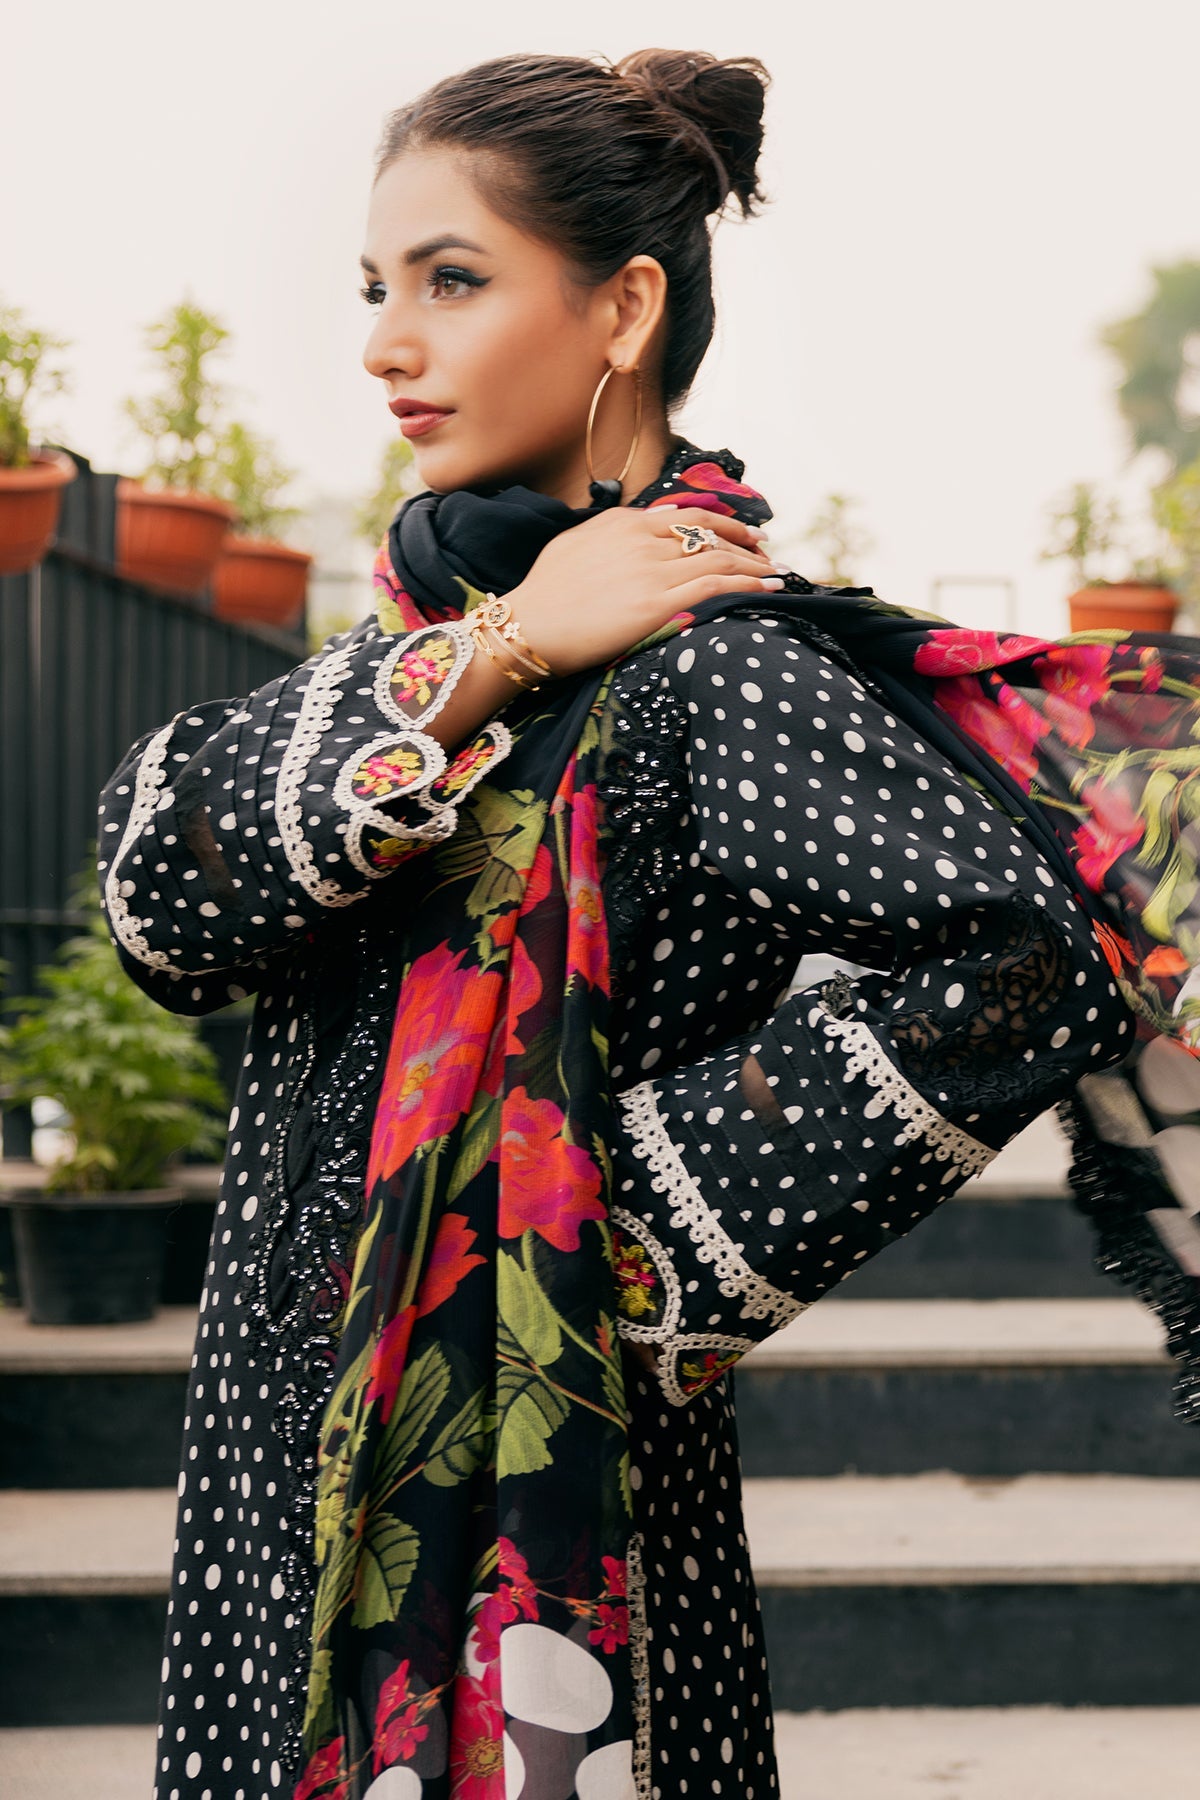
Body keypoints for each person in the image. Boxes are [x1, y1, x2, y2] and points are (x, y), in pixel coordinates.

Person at [98, 49, 1143, 1800]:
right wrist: (496, 650)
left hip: (540, 1481)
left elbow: (1035, 962)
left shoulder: (707, 656)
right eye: (373, 288)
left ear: (624, 309)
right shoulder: (446, 638)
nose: (385, 344)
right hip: (277, 1478)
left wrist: (605, 1245)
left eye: (450, 279)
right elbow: (160, 898)